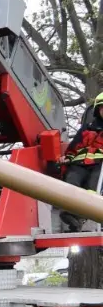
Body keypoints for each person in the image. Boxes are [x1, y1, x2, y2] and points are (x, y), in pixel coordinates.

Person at [60, 93, 103, 229]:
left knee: (93, 187)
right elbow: (73, 147)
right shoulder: (86, 128)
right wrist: (67, 157)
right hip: (79, 164)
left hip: (100, 166)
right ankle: (70, 213)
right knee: (72, 181)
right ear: (98, 110)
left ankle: (81, 216)